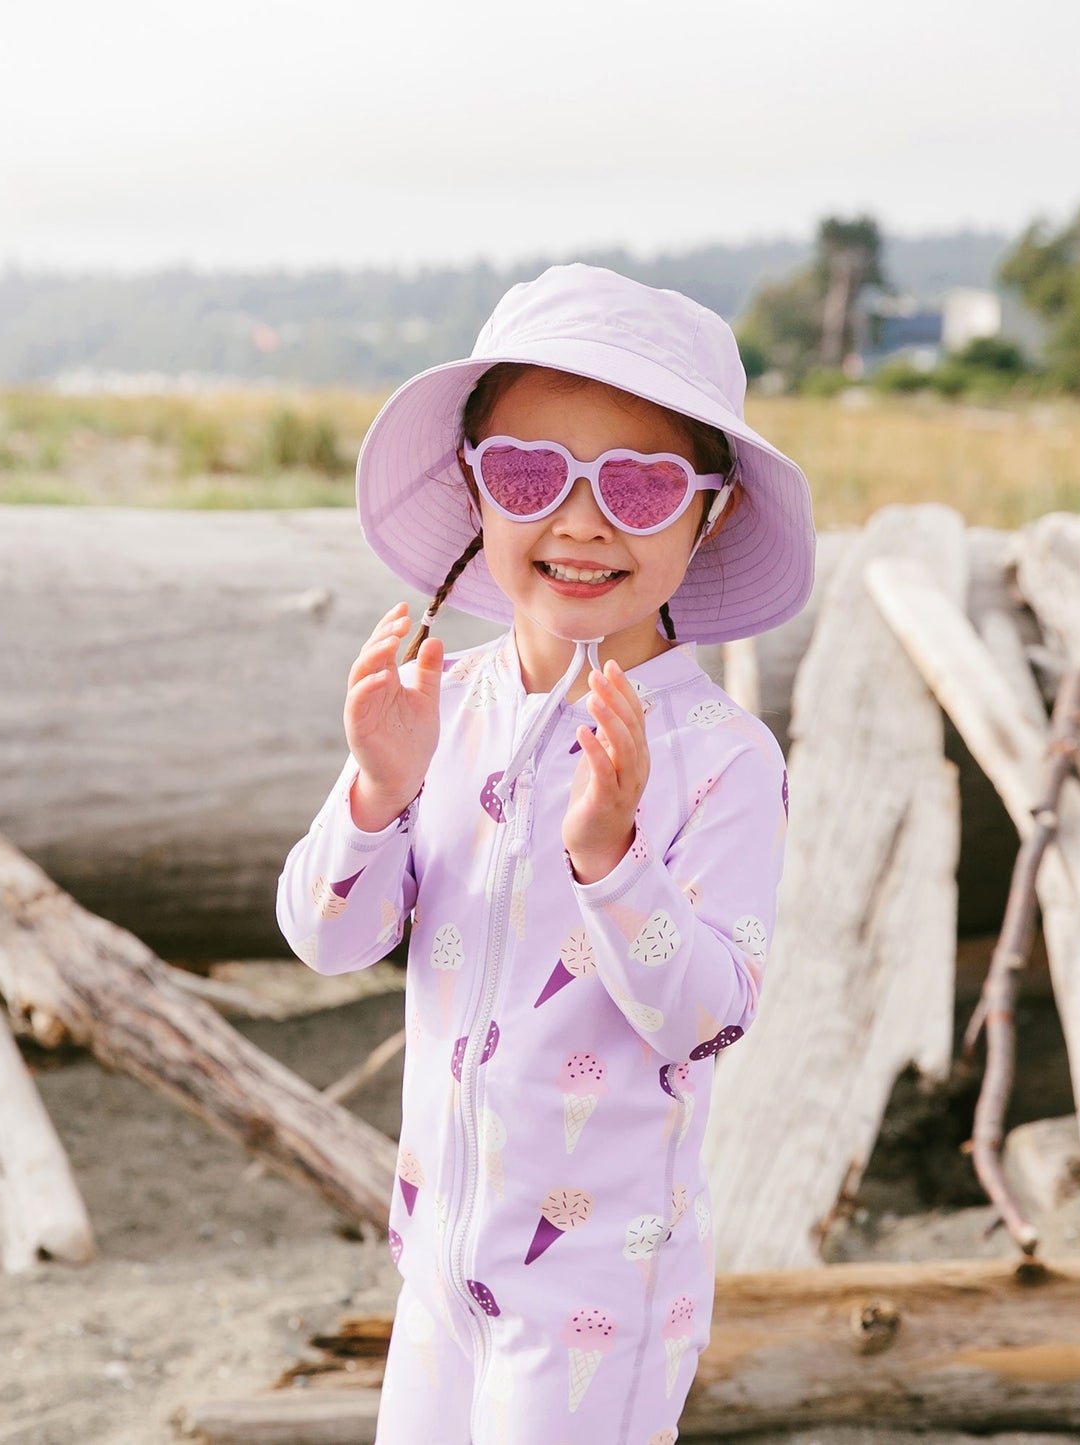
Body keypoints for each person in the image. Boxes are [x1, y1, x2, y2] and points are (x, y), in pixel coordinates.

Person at [276, 263, 814, 1443]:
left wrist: (613, 859)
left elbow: (708, 1012)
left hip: (597, 1295)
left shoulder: (721, 757)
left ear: (708, 508)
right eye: (528, 472)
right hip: (436, 1256)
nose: (578, 521)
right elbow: (327, 936)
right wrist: (378, 787)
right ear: (475, 490)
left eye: (636, 483)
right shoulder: (439, 705)